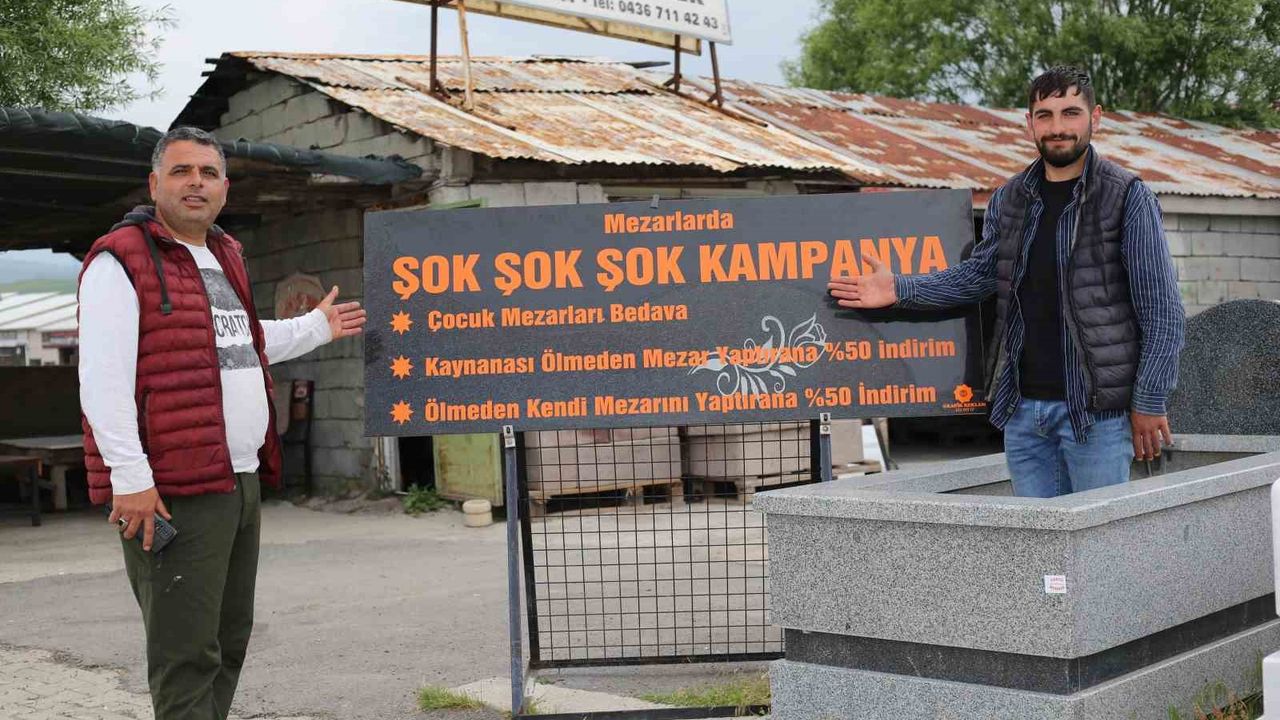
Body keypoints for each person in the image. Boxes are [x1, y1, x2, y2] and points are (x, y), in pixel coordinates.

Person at [77, 126, 367, 719]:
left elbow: (241, 344)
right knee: (185, 652)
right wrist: (130, 478)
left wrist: (315, 328)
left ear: (225, 189)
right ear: (154, 183)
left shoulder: (223, 254)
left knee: (229, 638)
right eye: (181, 171)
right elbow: (101, 380)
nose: (196, 183)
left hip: (238, 478)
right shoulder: (121, 260)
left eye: (208, 173)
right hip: (173, 489)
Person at [828, 66, 1185, 498]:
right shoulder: (1011, 197)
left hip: (1098, 418)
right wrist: (900, 289)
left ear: (1096, 118)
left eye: (1071, 113)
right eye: (1045, 115)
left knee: (1099, 538)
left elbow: (1163, 312)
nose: (1057, 127)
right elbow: (980, 275)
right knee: (1036, 540)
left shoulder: (1127, 196)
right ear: (1029, 123)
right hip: (1025, 414)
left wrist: (1149, 400)